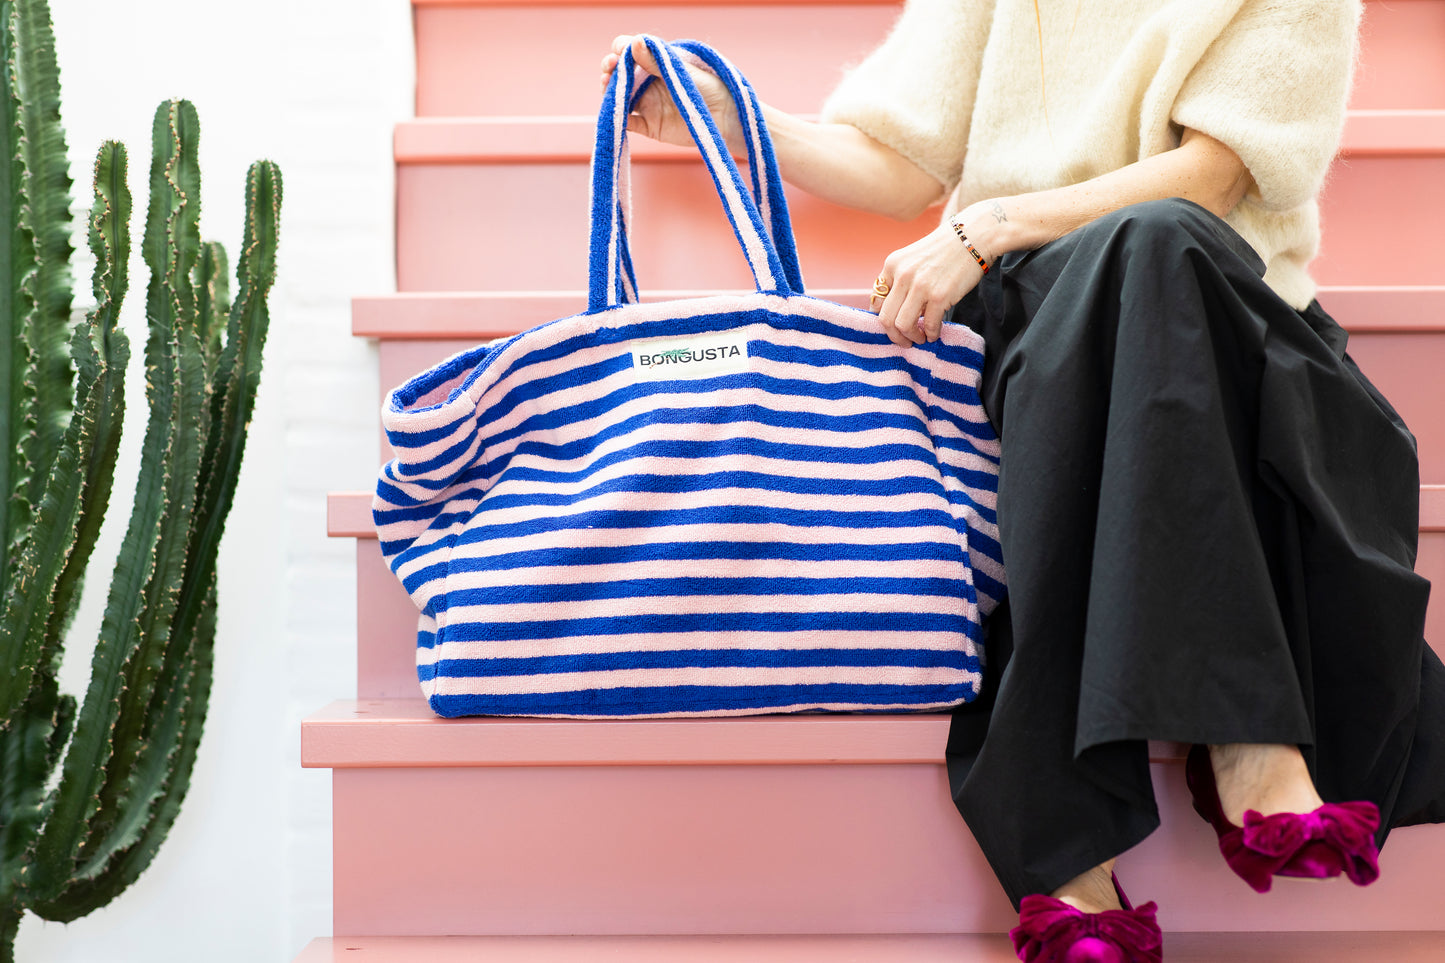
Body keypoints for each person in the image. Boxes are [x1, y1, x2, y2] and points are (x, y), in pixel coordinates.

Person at [600, 2, 1445, 958]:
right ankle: (1248, 732)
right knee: (1115, 314)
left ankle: (1074, 830)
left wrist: (984, 225)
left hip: (1234, 338)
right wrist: (737, 116)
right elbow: (899, 167)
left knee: (1159, 244)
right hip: (1046, 328)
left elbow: (1211, 178)